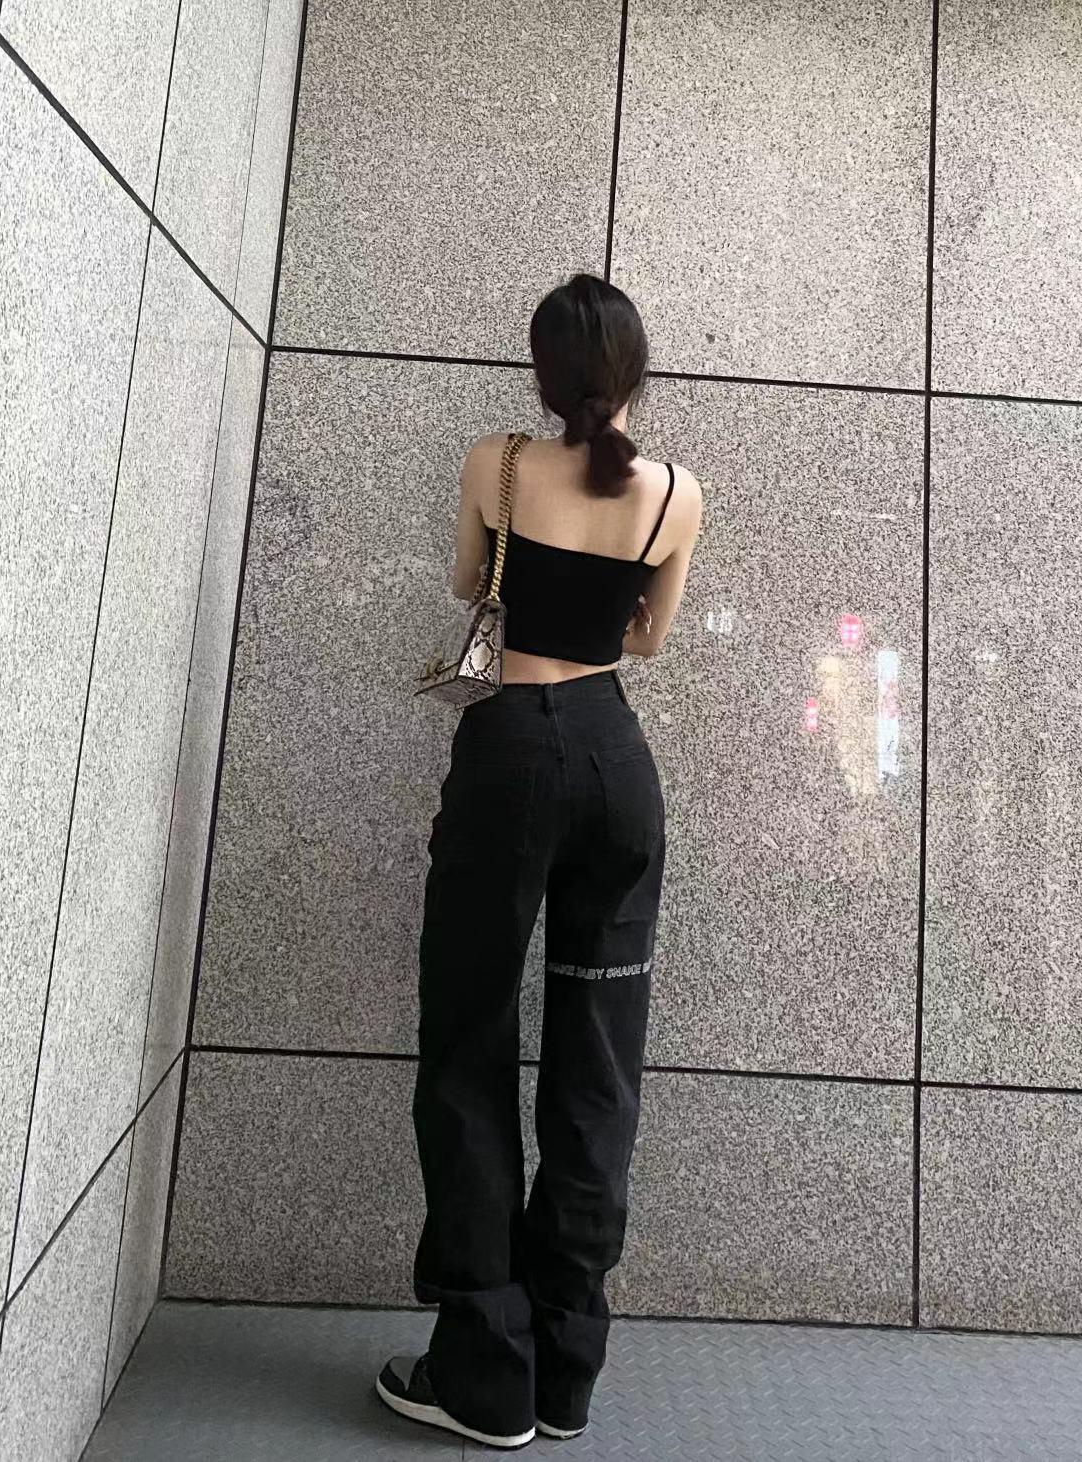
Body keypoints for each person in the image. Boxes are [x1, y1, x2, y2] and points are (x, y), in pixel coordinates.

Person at [377, 274, 702, 1449]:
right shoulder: (675, 493)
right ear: (635, 370)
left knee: (469, 1037)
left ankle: (484, 1369)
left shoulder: (497, 463)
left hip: (510, 753)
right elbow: (647, 639)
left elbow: (471, 584)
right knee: (596, 1060)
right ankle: (565, 1367)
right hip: (617, 766)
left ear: (542, 372)